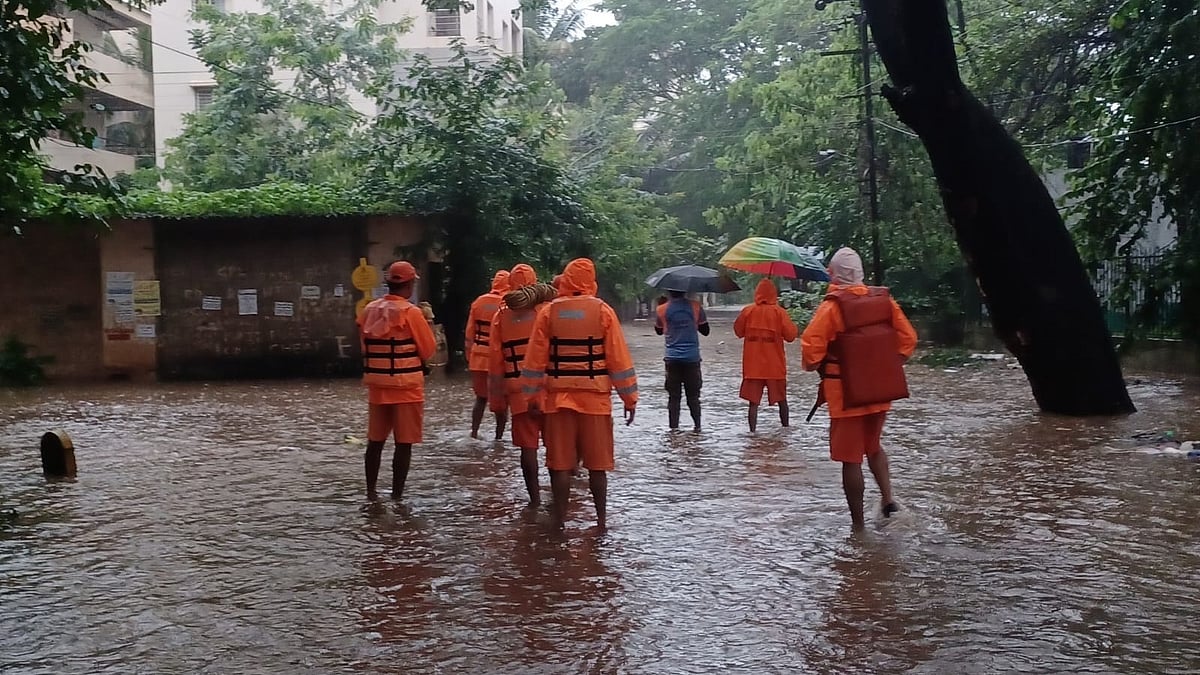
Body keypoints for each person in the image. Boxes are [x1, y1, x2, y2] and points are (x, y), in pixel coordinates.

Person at [801, 247, 918, 530]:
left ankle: (858, 527)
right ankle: (888, 500)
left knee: (850, 459)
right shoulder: (884, 301)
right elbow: (908, 340)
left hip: (846, 395)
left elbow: (811, 350)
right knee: (874, 446)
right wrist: (883, 367)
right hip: (879, 392)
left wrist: (821, 369)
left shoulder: (832, 306)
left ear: (834, 274)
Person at [521, 258, 639, 531]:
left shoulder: (548, 313)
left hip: (557, 399)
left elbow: (534, 360)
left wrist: (531, 398)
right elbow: (618, 360)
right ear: (590, 281)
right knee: (598, 467)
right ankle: (600, 523)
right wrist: (629, 398)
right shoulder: (603, 312)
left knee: (559, 465)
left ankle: (560, 521)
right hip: (595, 399)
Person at [357, 261, 437, 501]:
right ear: (410, 284)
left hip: (378, 386)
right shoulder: (411, 313)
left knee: (375, 441)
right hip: (406, 388)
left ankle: (371, 493)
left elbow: (364, 347)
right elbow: (429, 350)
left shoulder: (369, 310)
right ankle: (397, 497)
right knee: (404, 444)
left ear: (389, 283)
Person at [488, 264, 556, 507]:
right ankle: (559, 501)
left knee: (527, 449)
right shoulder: (547, 310)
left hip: (518, 394)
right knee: (557, 449)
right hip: (548, 391)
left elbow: (496, 363)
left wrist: (497, 402)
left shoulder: (500, 316)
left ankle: (535, 500)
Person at [734, 278, 799, 431]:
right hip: (774, 367)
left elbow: (738, 331)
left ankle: (752, 433)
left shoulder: (748, 311)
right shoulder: (779, 313)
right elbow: (791, 336)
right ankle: (786, 430)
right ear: (774, 294)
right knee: (782, 400)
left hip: (753, 367)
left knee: (753, 403)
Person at [655, 289, 709, 431]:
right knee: (693, 396)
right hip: (692, 359)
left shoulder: (662, 309)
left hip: (672, 359)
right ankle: (697, 428)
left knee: (674, 397)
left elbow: (659, 331)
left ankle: (674, 430)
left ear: (669, 292)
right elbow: (706, 331)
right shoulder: (696, 307)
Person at [466, 270, 511, 440]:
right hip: (498, 360)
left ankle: (474, 433)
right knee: (501, 403)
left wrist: (470, 357)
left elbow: (470, 334)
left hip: (478, 358)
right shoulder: (508, 304)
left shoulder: (478, 302)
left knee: (480, 399)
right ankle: (498, 439)